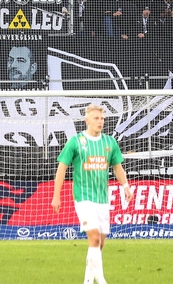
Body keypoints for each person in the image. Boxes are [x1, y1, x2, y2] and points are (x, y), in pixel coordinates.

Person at [53, 104, 131, 284]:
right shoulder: (75, 141)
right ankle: (101, 280)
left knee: (99, 244)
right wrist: (56, 195)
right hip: (83, 198)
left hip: (103, 199)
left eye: (102, 118)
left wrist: (125, 185)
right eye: (96, 118)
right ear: (87, 120)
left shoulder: (109, 142)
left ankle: (88, 280)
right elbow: (61, 168)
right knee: (94, 238)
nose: (100, 122)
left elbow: (117, 167)